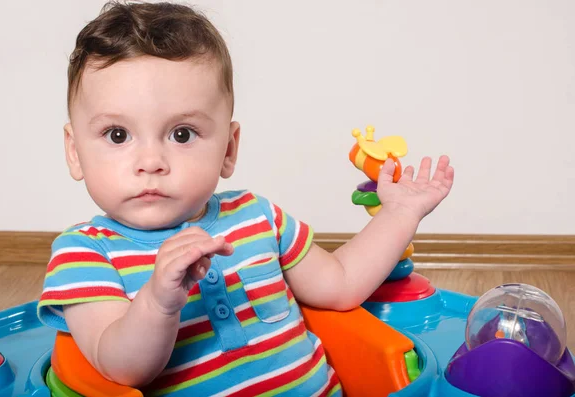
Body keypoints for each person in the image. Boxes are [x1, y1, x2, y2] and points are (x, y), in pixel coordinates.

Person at [37, 1, 454, 395]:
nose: (151, 161)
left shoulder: (258, 217)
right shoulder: (84, 254)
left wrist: (400, 212)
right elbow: (121, 367)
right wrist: (158, 302)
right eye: (118, 135)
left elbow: (341, 284)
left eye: (182, 134)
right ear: (75, 152)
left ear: (229, 149)